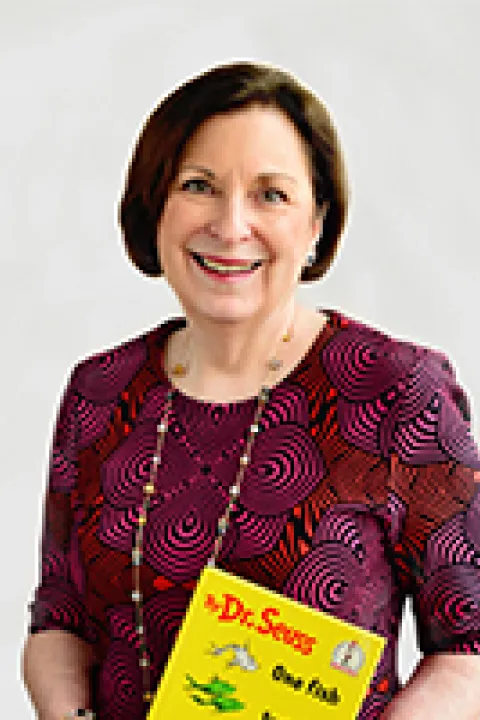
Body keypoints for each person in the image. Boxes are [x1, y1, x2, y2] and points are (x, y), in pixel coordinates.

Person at [21, 60, 480, 720]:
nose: (231, 226)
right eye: (199, 186)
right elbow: (58, 620)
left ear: (316, 221)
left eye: (271, 194)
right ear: (156, 207)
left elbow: (468, 645)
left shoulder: (398, 394)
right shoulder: (99, 393)